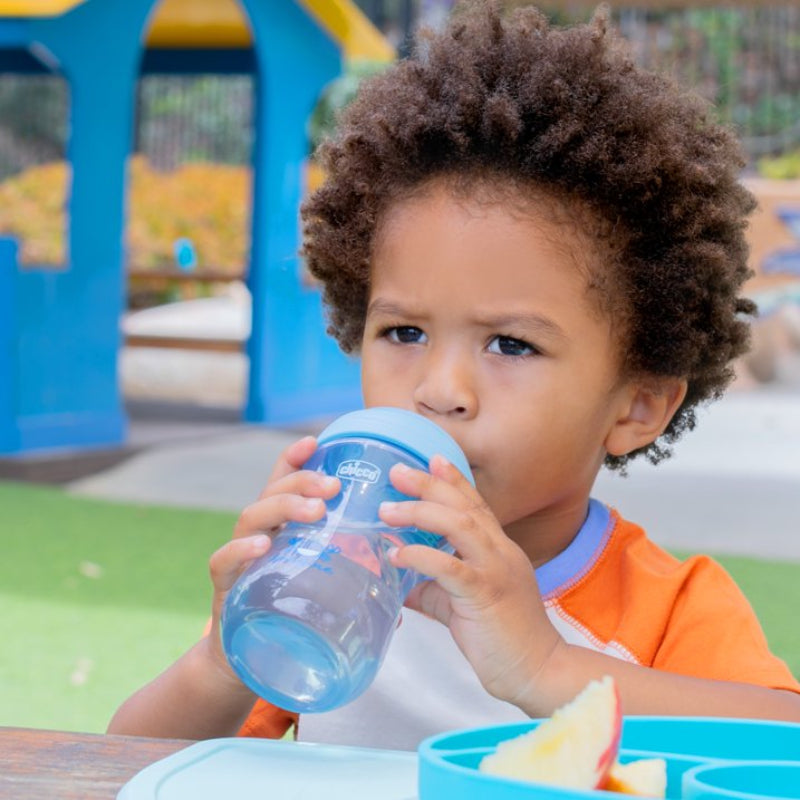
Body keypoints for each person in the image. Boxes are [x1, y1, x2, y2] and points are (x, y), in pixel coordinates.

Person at [108, 2, 800, 749]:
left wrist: (547, 666)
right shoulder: (338, 575)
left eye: (510, 345)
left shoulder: (668, 609)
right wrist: (222, 656)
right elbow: (122, 764)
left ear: (637, 405)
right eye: (403, 332)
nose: (439, 390)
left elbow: (782, 744)